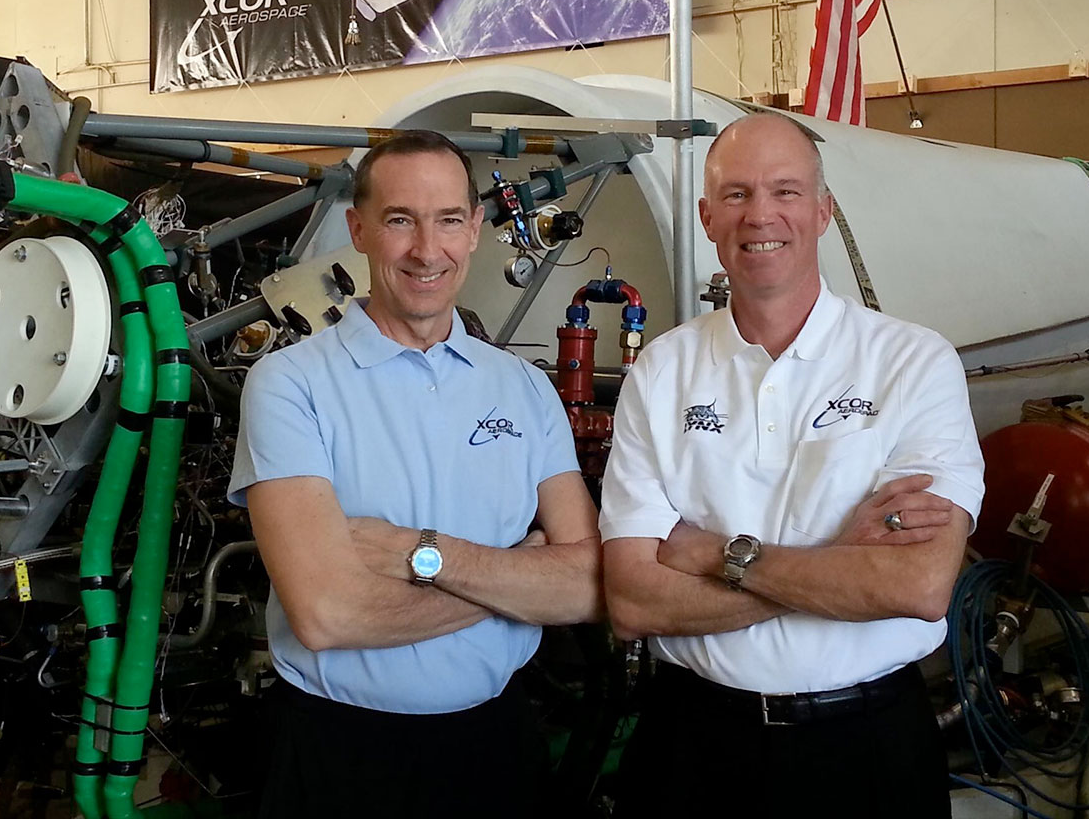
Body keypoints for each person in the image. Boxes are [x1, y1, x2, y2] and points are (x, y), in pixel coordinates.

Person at [599, 113, 984, 818]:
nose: (761, 216)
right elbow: (632, 602)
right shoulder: (662, 371)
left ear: (824, 210)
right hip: (693, 744)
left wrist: (715, 554)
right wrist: (839, 564)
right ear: (708, 217)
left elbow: (920, 582)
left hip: (866, 746)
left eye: (785, 191)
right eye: (738, 195)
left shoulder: (912, 361)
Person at [228, 131, 603, 818]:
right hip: (342, 754)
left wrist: (417, 555)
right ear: (360, 230)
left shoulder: (524, 388)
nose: (427, 250)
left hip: (497, 744)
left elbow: (585, 587)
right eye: (401, 220)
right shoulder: (290, 385)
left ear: (477, 230)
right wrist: (517, 580)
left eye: (449, 220)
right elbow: (327, 614)